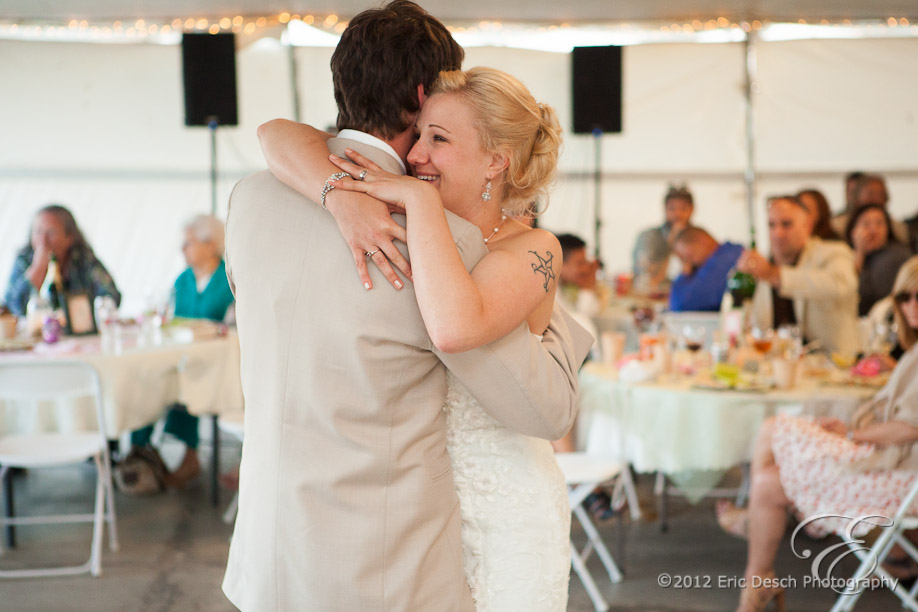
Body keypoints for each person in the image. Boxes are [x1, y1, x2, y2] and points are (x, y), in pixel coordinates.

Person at [222, 4, 590, 611]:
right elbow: (540, 406)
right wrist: (560, 336)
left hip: (265, 552)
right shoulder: (447, 244)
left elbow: (277, 134)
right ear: (423, 97)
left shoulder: (253, 195)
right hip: (381, 569)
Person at [719, 256, 918, 612]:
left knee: (772, 441)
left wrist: (855, 435)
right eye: (905, 298)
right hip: (893, 466)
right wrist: (853, 433)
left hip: (902, 480)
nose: (912, 306)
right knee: (772, 455)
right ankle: (757, 576)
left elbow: (909, 428)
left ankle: (756, 574)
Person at [119, 215, 235, 493]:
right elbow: (170, 317)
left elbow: (233, 323)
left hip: (217, 361)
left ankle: (189, 457)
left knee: (186, 381)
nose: (182, 249)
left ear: (211, 245)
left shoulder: (228, 276)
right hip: (182, 355)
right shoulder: (182, 280)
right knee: (150, 377)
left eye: (188, 243)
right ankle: (141, 450)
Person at [737, 195, 859, 355]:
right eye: (771, 225)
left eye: (786, 224)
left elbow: (841, 285)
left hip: (835, 365)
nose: (777, 233)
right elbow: (753, 323)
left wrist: (775, 275)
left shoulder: (834, 253)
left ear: (807, 226)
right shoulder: (765, 264)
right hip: (779, 365)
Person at [3, 204, 120, 317]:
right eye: (38, 232)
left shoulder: (83, 259)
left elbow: (111, 295)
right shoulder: (24, 260)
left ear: (70, 237)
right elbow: (10, 307)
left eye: (51, 233)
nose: (43, 241)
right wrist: (37, 269)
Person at [844, 204, 913, 316]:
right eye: (866, 224)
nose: (873, 230)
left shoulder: (899, 255)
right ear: (853, 230)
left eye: (879, 223)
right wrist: (860, 253)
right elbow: (846, 292)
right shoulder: (842, 255)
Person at [632, 184, 694, 293]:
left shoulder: (700, 241)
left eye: (683, 209)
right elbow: (645, 280)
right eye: (672, 208)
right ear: (665, 209)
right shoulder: (649, 237)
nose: (678, 214)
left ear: (692, 210)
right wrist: (672, 243)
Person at [669, 227, 744, 312]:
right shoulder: (731, 251)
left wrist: (683, 276)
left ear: (702, 241)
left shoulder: (722, 262)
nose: (688, 263)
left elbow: (680, 305)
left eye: (687, 257)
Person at [832, 173, 909, 243]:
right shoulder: (838, 226)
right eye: (870, 194)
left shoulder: (897, 228)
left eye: (880, 194)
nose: (876, 199)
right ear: (856, 197)